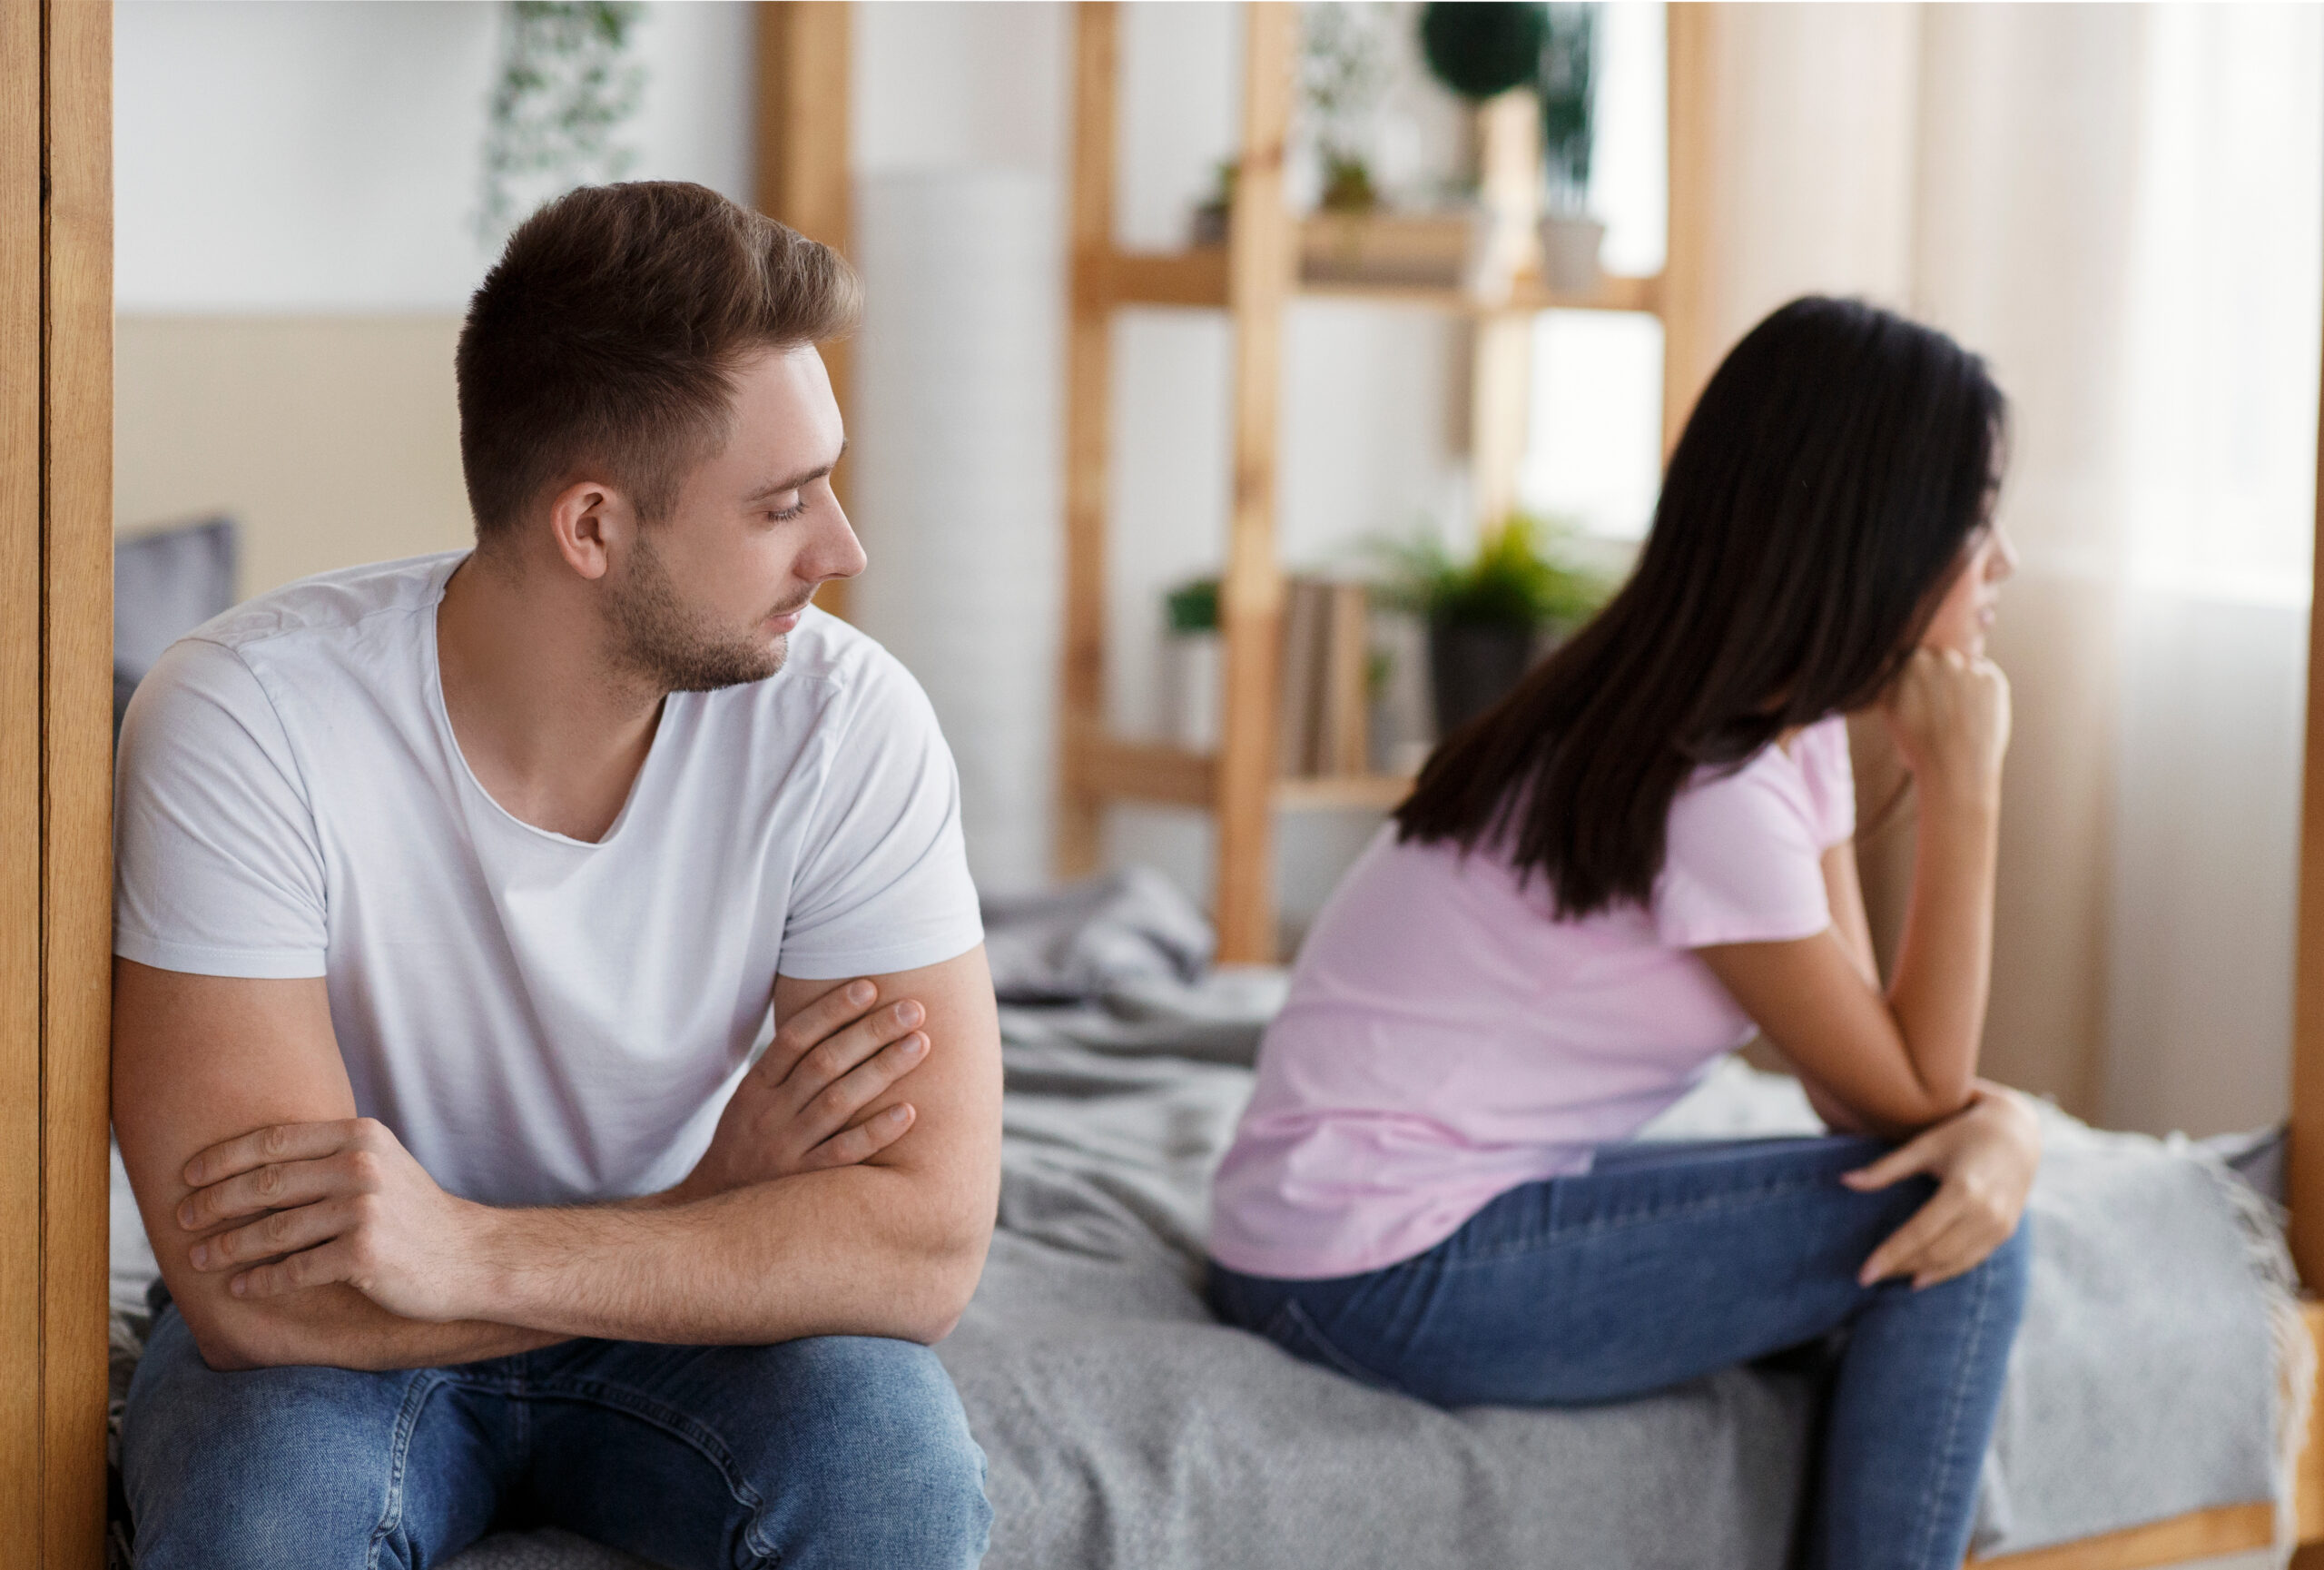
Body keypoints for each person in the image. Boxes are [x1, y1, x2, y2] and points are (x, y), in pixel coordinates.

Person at [111, 182, 997, 1569]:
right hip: (349, 1360)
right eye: (782, 505)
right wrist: (716, 1210)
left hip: (697, 1329)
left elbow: (922, 1251)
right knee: (260, 1527)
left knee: (897, 1476)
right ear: (592, 528)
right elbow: (257, 1302)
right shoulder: (245, 719)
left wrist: (466, 1252)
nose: (843, 549)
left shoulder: (846, 722)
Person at [1206, 296, 2040, 1570]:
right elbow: (1914, 1101)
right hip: (1372, 1268)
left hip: (1329, 1229)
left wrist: (1973, 1120)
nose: (2004, 565)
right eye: (1975, 518)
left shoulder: (1755, 724)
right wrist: (1969, 794)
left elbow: (1861, 1085)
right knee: (1965, 1224)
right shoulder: (1714, 791)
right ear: (1875, 532)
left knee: (1944, 1186)